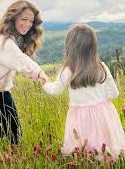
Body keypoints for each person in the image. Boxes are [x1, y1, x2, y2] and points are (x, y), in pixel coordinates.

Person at [43, 24, 125, 159]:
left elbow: (54, 90)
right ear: (93, 47)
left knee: (83, 148)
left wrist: (45, 83)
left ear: (70, 47)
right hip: (103, 113)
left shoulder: (68, 70)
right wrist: (100, 99)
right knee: (105, 146)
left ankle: (87, 161)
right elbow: (114, 93)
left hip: (79, 116)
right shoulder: (102, 67)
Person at [0, 0, 48, 145]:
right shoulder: (3, 41)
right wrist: (39, 73)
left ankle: (14, 158)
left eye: (31, 21)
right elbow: (20, 59)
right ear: (13, 18)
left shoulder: (13, 37)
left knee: (15, 129)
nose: (28, 25)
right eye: (24, 19)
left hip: (1, 91)